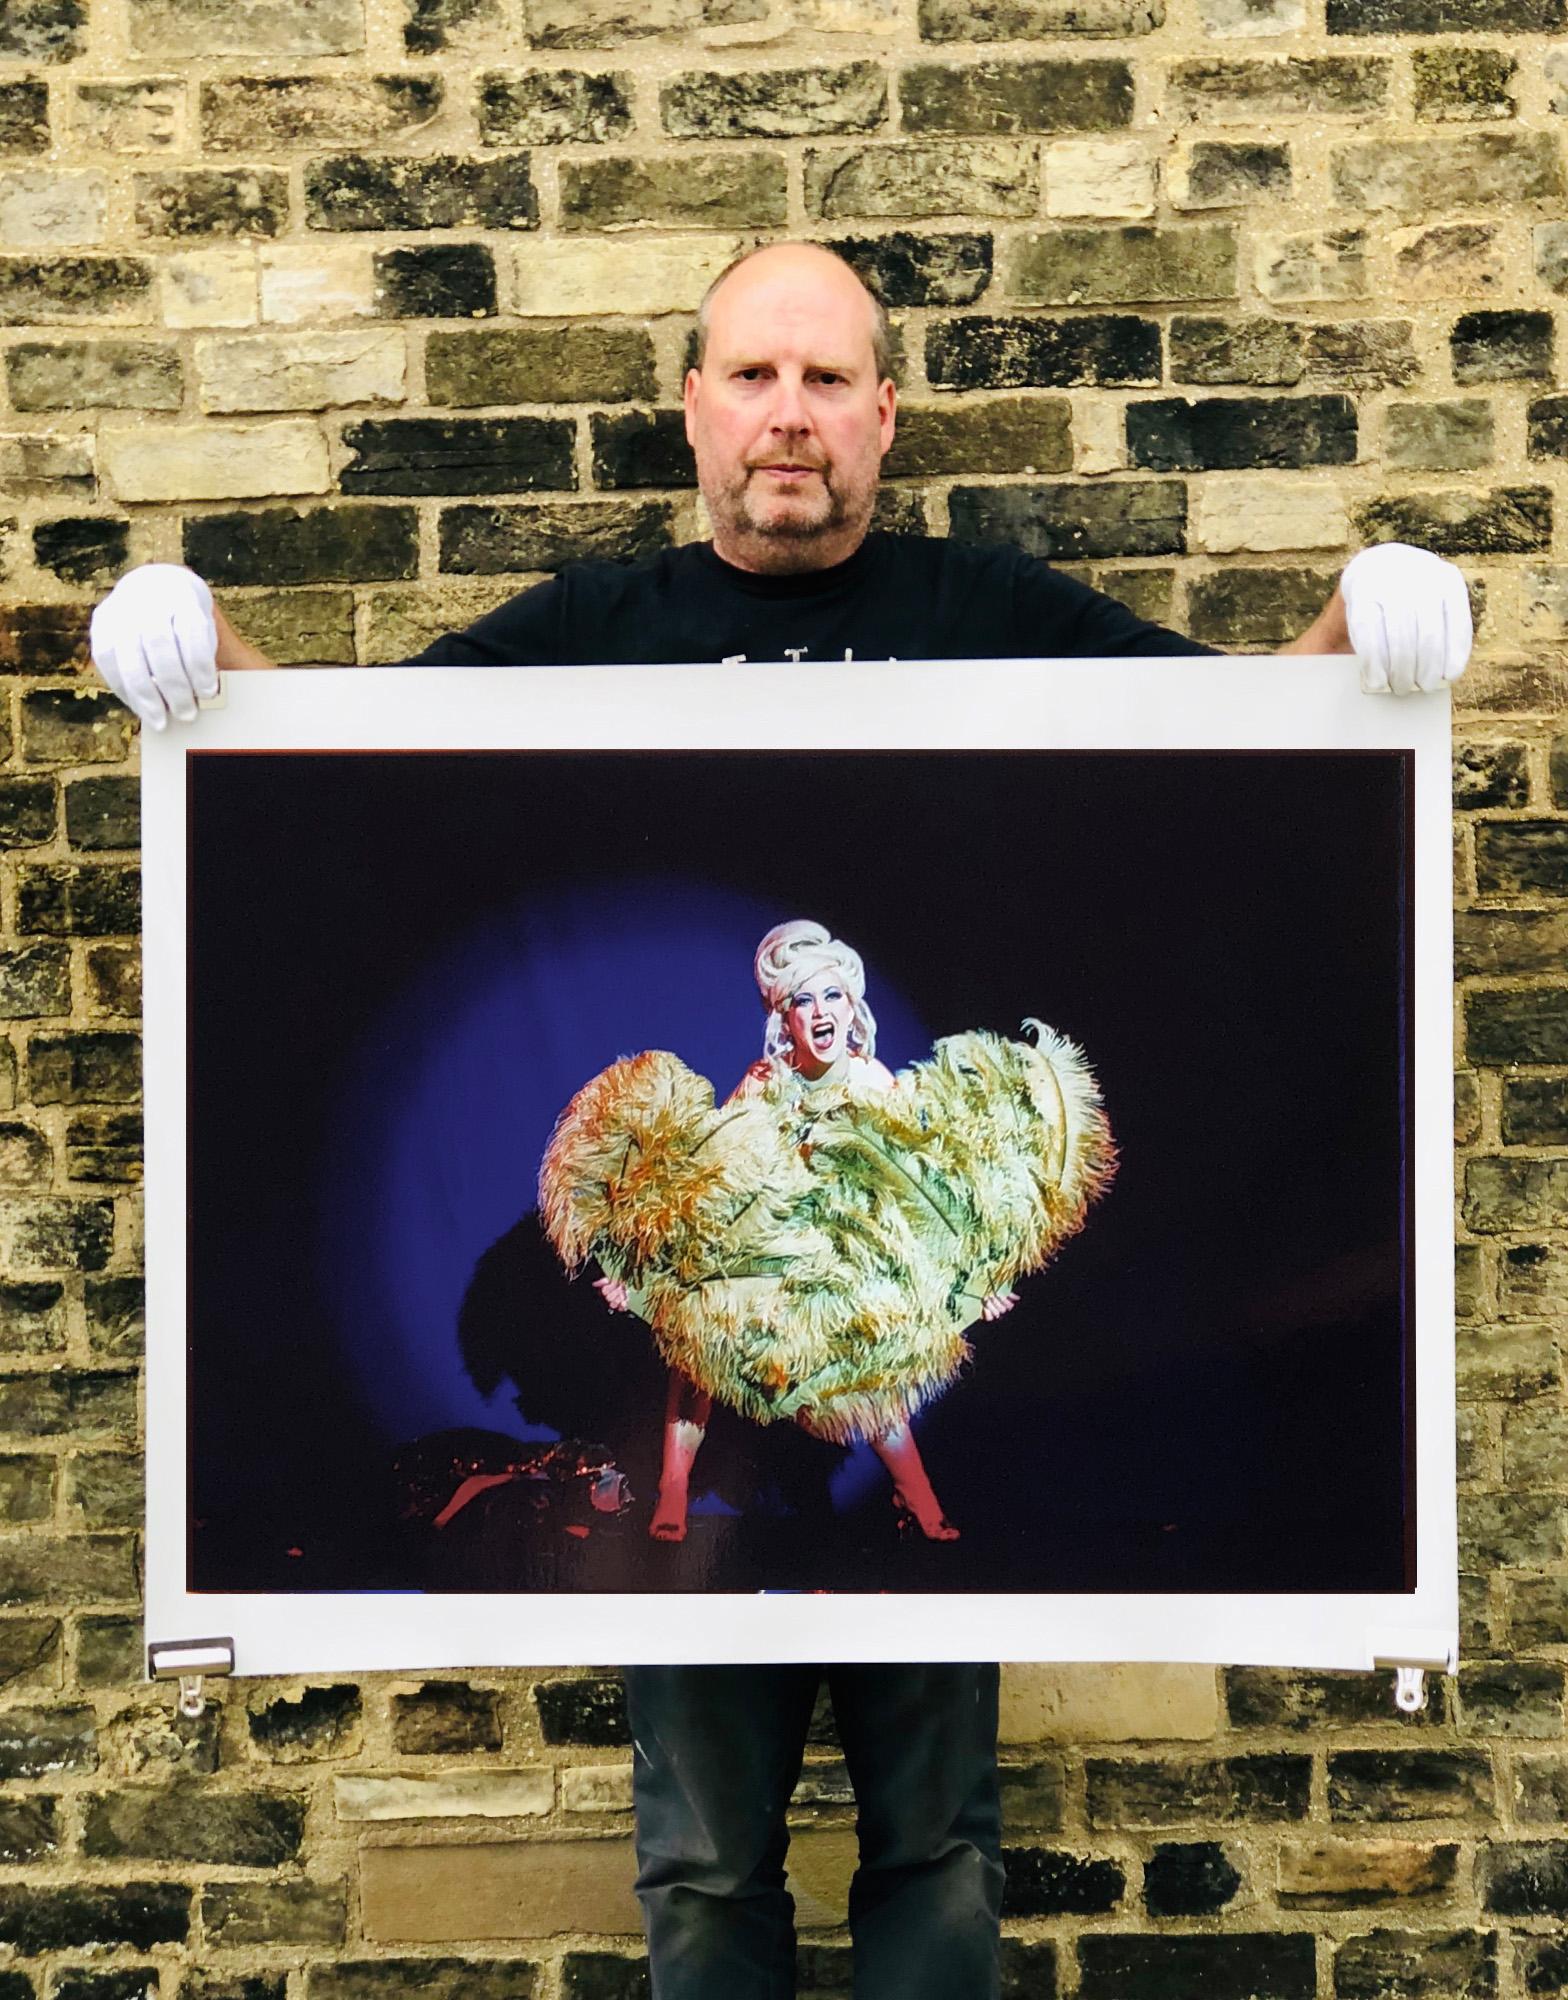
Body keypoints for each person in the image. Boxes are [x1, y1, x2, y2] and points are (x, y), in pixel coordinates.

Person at [92, 239, 1471, 2000]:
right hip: (726, 1364)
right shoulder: (588, 638)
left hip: (885, 1324)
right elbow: (332, 793)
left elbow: (1244, 774)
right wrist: (200, 650)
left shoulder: (997, 615)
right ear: (691, 406)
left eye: (826, 380)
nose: (788, 416)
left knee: (939, 1850)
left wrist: (1360, 632)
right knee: (700, 1863)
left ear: (883, 415)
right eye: (753, 375)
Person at [559, 915, 1099, 1545]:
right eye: (803, 1000)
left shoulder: (873, 1082)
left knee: (874, 1363)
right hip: (768, 1250)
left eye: (832, 996)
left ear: (851, 1008)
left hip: (846, 1253)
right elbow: (705, 1184)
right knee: (698, 1334)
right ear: (783, 1019)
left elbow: (931, 1191)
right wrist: (643, 1277)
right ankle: (673, 1489)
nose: (820, 1013)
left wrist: (978, 1282)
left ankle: (917, 1497)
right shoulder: (764, 1085)